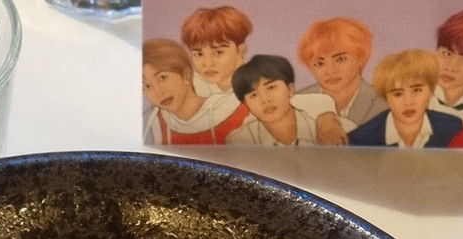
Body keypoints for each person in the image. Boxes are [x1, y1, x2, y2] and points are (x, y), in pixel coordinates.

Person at [180, 5, 349, 145]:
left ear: (241, 48)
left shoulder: (259, 74)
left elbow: (295, 100)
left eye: (218, 52)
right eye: (198, 54)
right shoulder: (189, 87)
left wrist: (326, 117)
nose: (207, 63)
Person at [142, 38, 249, 145]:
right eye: (147, 86)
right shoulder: (152, 125)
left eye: (163, 78)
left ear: (186, 75)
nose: (158, 92)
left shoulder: (236, 110)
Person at [347, 50, 462, 149]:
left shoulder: (452, 127)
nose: (408, 102)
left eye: (417, 90)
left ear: (431, 91)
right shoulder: (360, 140)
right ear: (386, 98)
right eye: (398, 94)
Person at [296, 17, 386, 128]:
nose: (330, 71)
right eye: (319, 63)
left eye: (340, 59)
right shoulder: (295, 106)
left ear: (361, 58)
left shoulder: (384, 103)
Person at [227, 55, 320, 145]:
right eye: (253, 95)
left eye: (271, 87)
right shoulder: (239, 141)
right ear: (246, 104)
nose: (265, 100)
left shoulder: (320, 126)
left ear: (290, 89)